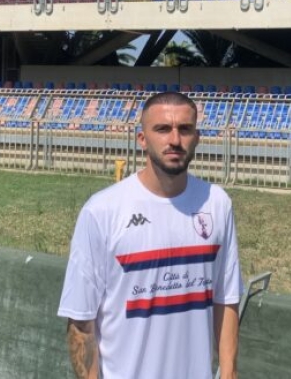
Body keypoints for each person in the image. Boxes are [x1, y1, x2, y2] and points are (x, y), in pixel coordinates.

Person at [58, 91, 243, 379]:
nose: (174, 139)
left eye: (185, 129)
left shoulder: (217, 204)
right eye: (162, 129)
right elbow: (81, 321)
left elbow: (226, 298)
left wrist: (229, 372)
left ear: (197, 138)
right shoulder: (102, 211)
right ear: (142, 139)